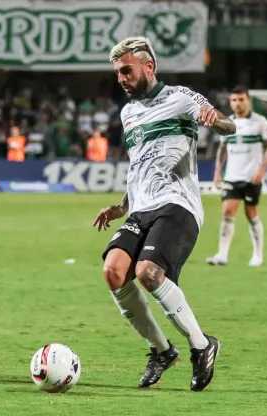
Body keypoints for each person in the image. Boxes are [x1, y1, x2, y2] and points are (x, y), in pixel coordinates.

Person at [93, 37, 236, 392]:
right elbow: (141, 165)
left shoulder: (180, 98)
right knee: (113, 271)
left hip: (178, 204)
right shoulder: (128, 114)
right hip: (141, 207)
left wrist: (213, 119)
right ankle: (161, 351)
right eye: (118, 73)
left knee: (147, 272)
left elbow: (229, 125)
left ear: (148, 66)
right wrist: (122, 205)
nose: (122, 78)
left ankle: (202, 346)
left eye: (127, 70)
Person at [206, 86, 267, 267]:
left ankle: (258, 255)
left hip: (252, 177)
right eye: (234, 100)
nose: (237, 103)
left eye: (241, 100)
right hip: (232, 176)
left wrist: (262, 170)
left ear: (248, 100)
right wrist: (217, 173)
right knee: (227, 212)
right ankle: (221, 255)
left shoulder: (260, 122)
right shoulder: (226, 122)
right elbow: (222, 149)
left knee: (251, 213)